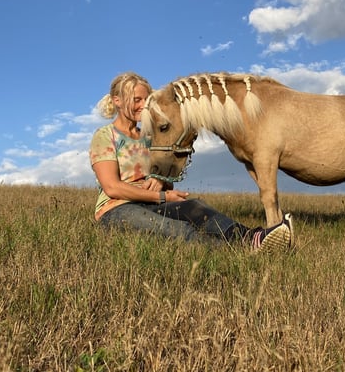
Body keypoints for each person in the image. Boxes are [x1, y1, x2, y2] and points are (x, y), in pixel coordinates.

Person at [89, 71, 294, 253]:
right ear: (117, 101)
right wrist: (161, 196)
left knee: (196, 208)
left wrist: (161, 181)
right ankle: (238, 254)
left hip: (152, 202)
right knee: (179, 230)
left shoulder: (151, 137)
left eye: (146, 100)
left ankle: (255, 238)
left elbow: (166, 180)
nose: (143, 106)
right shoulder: (105, 136)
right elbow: (112, 187)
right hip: (116, 209)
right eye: (136, 100)